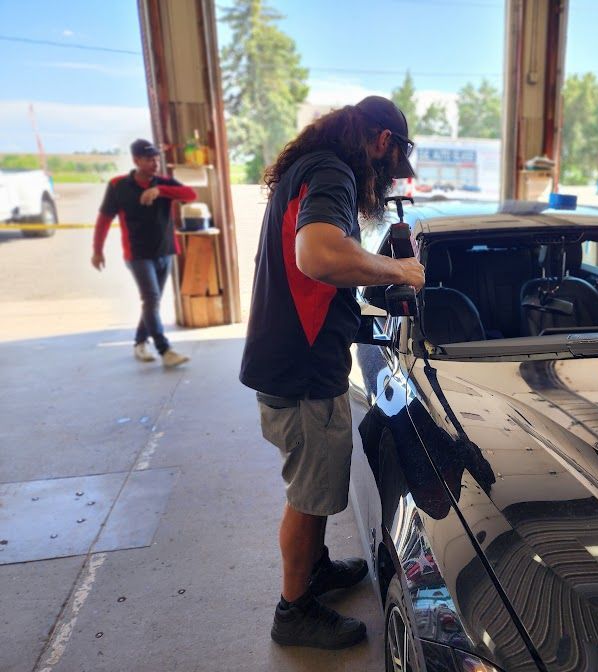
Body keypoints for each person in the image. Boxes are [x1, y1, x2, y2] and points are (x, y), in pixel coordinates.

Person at [239, 96, 425, 650]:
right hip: (300, 371)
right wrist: (400, 269)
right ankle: (293, 611)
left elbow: (319, 267)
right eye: (392, 166)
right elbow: (318, 255)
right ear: (383, 142)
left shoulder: (308, 167)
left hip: (287, 359)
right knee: (310, 495)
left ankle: (314, 570)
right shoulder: (332, 171)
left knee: (312, 488)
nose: (386, 179)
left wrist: (366, 274)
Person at [92, 139, 195, 368]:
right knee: (151, 298)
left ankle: (140, 341)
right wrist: (97, 251)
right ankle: (165, 350)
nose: (155, 163)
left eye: (157, 158)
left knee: (152, 301)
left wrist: (160, 191)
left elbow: (190, 195)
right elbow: (104, 220)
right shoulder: (118, 185)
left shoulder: (164, 183)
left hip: (165, 251)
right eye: (149, 159)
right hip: (137, 254)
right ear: (136, 160)